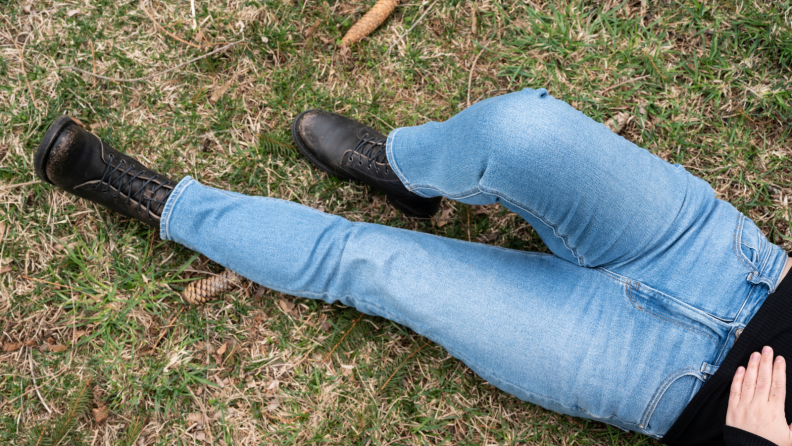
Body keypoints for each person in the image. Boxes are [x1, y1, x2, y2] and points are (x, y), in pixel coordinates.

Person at [33, 88, 792, 445]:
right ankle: (406, 168)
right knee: (516, 131)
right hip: (731, 263)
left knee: (370, 263)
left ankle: (155, 200)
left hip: (656, 384)